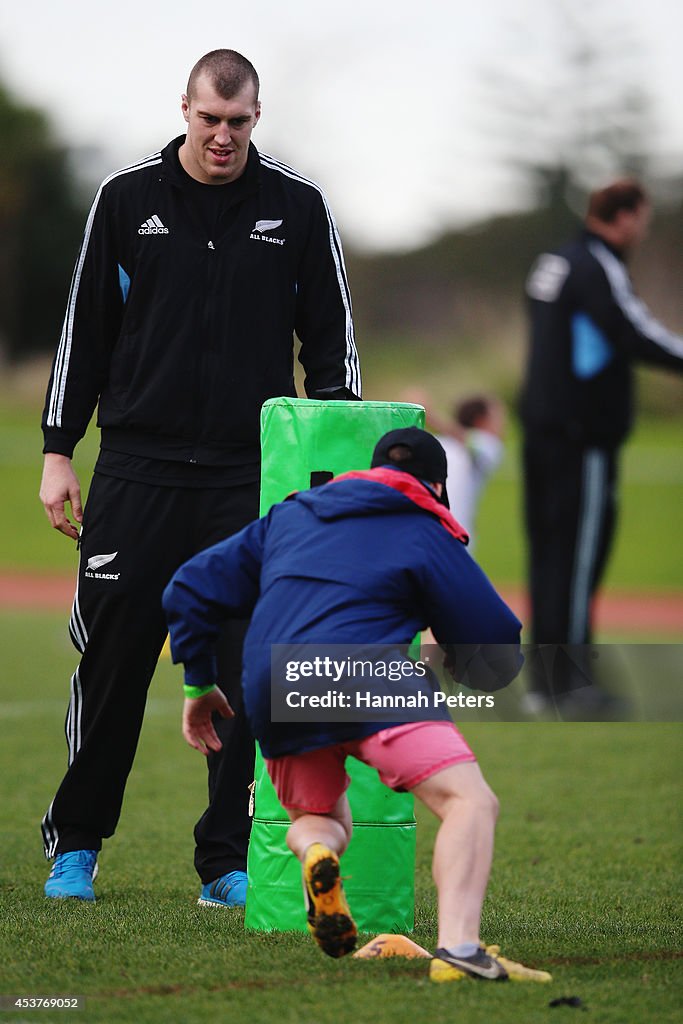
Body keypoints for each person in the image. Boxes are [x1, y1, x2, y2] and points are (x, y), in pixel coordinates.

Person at [39, 48, 361, 904]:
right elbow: (84, 333)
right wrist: (57, 448)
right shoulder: (126, 200)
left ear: (258, 116)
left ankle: (222, 861)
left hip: (249, 478)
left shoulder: (296, 207)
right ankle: (75, 844)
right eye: (210, 119)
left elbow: (330, 347)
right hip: (136, 471)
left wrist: (338, 465)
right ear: (185, 109)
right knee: (111, 664)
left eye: (240, 122)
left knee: (247, 668)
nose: (223, 137)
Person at [162, 427, 551, 984]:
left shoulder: (291, 515)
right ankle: (461, 951)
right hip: (371, 676)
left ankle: (318, 856)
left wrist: (200, 686)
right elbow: (493, 641)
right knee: (470, 803)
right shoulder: (425, 528)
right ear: (436, 486)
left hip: (277, 683)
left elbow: (187, 588)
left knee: (320, 820)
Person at [521, 179, 683, 713]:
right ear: (628, 217)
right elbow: (634, 332)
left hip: (541, 431)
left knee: (548, 556)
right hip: (580, 438)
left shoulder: (554, 261)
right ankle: (571, 686)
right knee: (576, 556)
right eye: (644, 219)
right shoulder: (598, 265)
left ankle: (546, 685)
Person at [404, 389, 506, 547]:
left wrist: (428, 415)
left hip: (456, 535)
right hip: (425, 531)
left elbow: (465, 438)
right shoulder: (440, 443)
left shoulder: (488, 447)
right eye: (497, 418)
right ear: (480, 420)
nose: (502, 424)